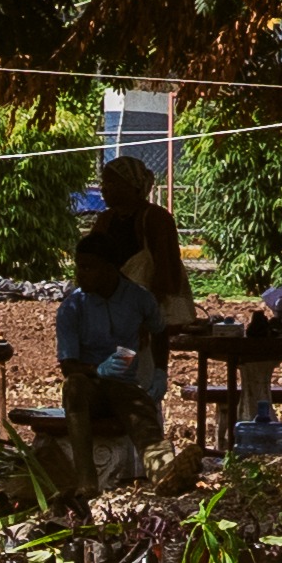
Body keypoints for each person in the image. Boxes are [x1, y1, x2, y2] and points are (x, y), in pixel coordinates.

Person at [52, 213, 167, 498]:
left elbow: (160, 331)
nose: (80, 274)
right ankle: (86, 482)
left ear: (110, 269)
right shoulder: (72, 308)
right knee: (73, 387)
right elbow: (68, 366)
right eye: (79, 267)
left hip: (124, 385)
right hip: (89, 387)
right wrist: (97, 370)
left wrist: (160, 372)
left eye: (88, 267)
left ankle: (163, 472)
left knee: (141, 409)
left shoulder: (139, 298)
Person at [94, 152, 194, 320]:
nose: (104, 189)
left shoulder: (156, 219)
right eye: (103, 183)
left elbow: (166, 268)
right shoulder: (105, 220)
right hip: (114, 306)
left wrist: (149, 309)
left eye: (111, 183)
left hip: (151, 306)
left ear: (131, 185)